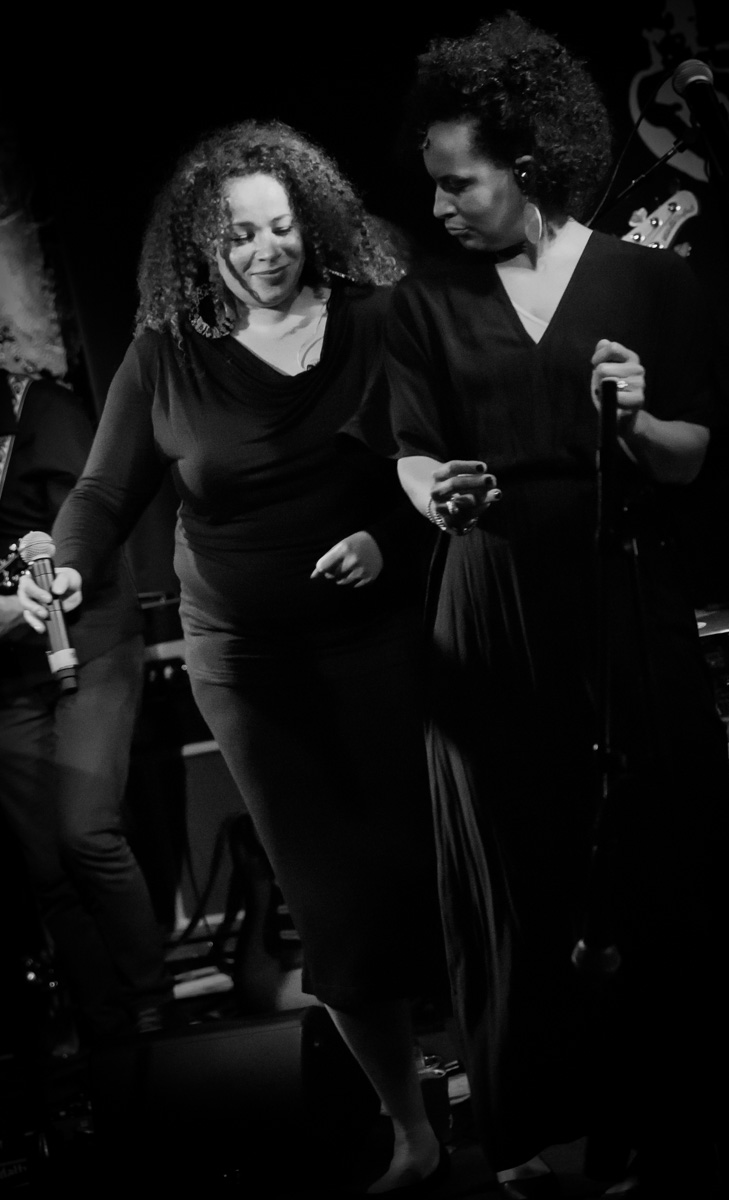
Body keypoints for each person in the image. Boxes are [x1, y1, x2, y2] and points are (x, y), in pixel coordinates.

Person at [380, 13, 729, 1199]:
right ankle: (550, 1118)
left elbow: (687, 455)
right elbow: (409, 454)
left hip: (619, 586)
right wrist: (437, 493)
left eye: (459, 182)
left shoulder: (647, 280)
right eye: (433, 183)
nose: (439, 205)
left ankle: (677, 1104)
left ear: (528, 166)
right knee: (524, 863)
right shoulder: (424, 300)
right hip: (489, 599)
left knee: (662, 847)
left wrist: (630, 419)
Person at [18, 119, 446, 1194]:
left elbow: (442, 460)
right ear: (200, 248)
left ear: (315, 222)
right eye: (239, 235)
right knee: (332, 903)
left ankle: (503, 1086)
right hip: (250, 664)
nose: (265, 251)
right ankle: (411, 1129)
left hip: (388, 639)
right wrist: (68, 568)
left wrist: (385, 540)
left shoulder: (378, 319)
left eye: (281, 227)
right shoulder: (166, 357)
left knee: (437, 873)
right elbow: (103, 491)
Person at [0, 367, 174, 1050]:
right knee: (45, 865)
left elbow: (96, 514)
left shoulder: (41, 410)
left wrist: (50, 582)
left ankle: (153, 1010)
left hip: (89, 639)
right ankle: (107, 1035)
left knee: (85, 832)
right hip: (8, 671)